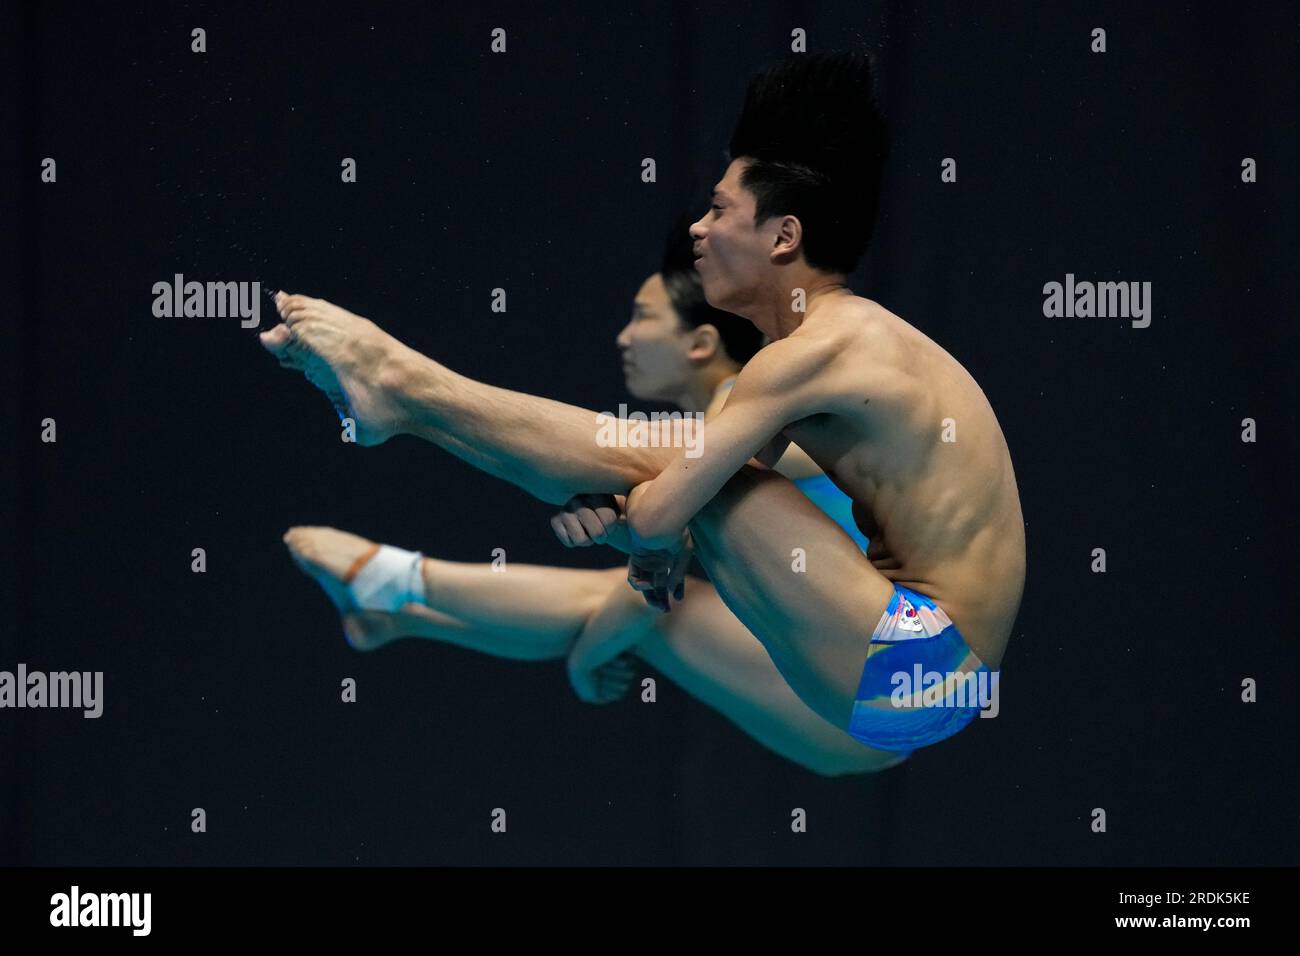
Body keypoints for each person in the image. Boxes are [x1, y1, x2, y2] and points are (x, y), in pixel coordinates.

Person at [262, 52, 1025, 754]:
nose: (697, 228)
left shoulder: (822, 349)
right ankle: (400, 405)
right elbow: (676, 517)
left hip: (920, 660)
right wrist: (643, 528)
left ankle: (401, 383)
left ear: (783, 237)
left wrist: (641, 532)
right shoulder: (827, 351)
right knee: (688, 461)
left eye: (720, 210)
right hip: (922, 679)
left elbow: (665, 514)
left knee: (682, 459)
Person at [283, 218, 904, 776]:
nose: (624, 337)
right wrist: (631, 532)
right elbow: (663, 550)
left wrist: (585, 661)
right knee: (637, 555)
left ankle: (398, 548)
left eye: (644, 318)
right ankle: (399, 599)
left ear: (699, 345)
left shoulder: (764, 408)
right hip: (854, 706)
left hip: (870, 692)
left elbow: (651, 597)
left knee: (643, 607)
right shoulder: (709, 447)